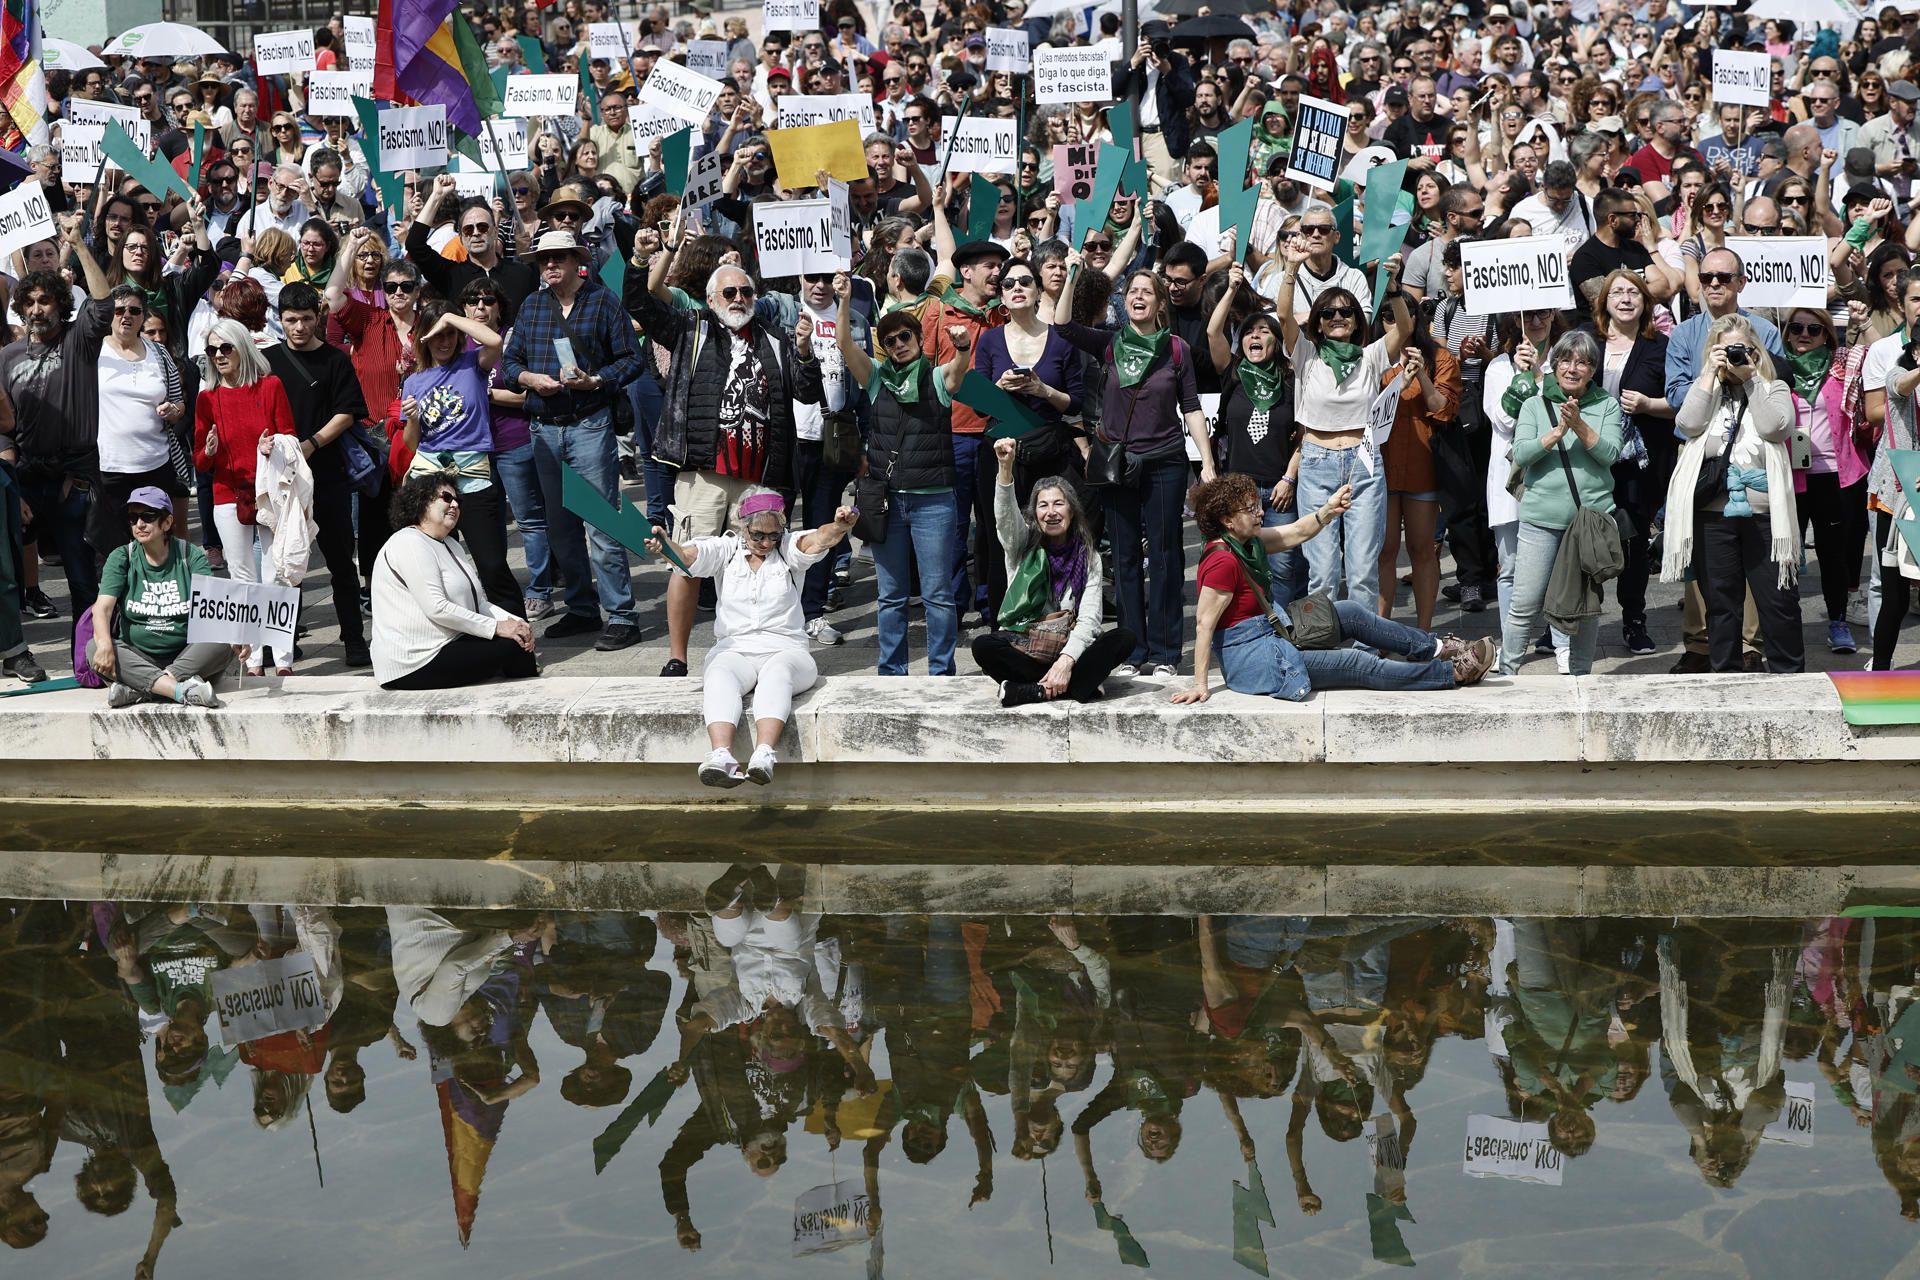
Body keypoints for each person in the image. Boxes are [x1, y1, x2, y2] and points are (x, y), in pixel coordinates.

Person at [627, 256, 823, 678]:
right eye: (730, 292)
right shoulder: (691, 328)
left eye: (746, 292)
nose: (739, 299)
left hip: (758, 480)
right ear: (712, 298)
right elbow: (639, 304)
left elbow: (807, 393)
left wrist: (805, 352)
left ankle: (744, 650)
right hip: (703, 473)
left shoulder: (776, 338)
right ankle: (678, 656)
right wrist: (640, 260)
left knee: (751, 564)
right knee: (686, 562)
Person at [1171, 474, 1495, 704]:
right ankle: (1450, 674)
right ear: (1228, 520)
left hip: (1272, 631)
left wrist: (1328, 509)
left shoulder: (1248, 541)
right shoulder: (1221, 561)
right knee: (1357, 664)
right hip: (1255, 659)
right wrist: (1200, 683)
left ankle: (1440, 648)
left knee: (1351, 612)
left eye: (1257, 505)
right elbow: (1204, 625)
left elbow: (1297, 532)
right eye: (1250, 509)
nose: (1259, 513)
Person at [1051, 259, 1215, 678]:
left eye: (1146, 291)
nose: (1137, 296)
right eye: (1132, 292)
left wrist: (1208, 464)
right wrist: (1071, 276)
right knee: (1123, 558)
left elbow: (1192, 409)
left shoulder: (1176, 349)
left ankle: (1164, 653)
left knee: (1165, 557)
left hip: (1165, 462)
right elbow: (1064, 326)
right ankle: (1131, 650)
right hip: (1118, 466)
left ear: (1160, 303)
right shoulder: (1109, 343)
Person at [644, 489, 857, 788]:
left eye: (773, 534)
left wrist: (839, 526)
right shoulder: (725, 548)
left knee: (776, 672)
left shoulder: (787, 548)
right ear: (743, 526)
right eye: (758, 535)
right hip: (735, 650)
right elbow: (688, 557)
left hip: (788, 651)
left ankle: (764, 754)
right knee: (718, 672)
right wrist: (665, 545)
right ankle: (722, 756)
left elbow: (819, 539)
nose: (766, 543)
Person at [501, 229, 644, 652]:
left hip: (589, 423)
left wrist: (596, 380)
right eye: (543, 260)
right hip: (543, 427)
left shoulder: (601, 300)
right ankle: (582, 609)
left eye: (557, 258)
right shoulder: (531, 306)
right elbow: (511, 363)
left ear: (575, 260)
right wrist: (529, 379)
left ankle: (622, 615)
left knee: (602, 524)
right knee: (561, 528)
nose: (548, 266)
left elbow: (632, 358)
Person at [1271, 236, 1416, 614]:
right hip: (1316, 462)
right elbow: (1284, 317)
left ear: (1357, 321)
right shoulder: (1306, 354)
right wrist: (1291, 268)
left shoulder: (1371, 356)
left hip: (1363, 463)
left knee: (1363, 570)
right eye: (1329, 313)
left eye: (1346, 312)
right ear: (1318, 322)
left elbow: (1403, 328)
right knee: (1322, 571)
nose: (1338, 317)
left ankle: (1365, 652)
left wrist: (1396, 288)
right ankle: (1326, 647)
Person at [832, 276, 967, 677]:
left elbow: (959, 371)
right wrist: (843, 302)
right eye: (889, 341)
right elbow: (844, 345)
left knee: (938, 594)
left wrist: (962, 348)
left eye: (905, 336)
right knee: (890, 595)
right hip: (888, 502)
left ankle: (941, 671)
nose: (898, 345)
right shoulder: (876, 378)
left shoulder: (937, 378)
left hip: (934, 501)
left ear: (919, 337)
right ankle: (891, 672)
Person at [1663, 317, 1803, 673]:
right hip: (1714, 513)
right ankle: (1723, 678)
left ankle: (1791, 679)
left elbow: (1774, 427)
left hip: (1766, 516)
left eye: (1746, 349)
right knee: (1722, 606)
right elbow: (1687, 424)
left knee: (1778, 602)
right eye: (1729, 350)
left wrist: (1751, 378)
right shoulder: (1706, 389)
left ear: (1758, 351)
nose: (1738, 355)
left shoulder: (1774, 387)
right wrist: (1710, 371)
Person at [1499, 330, 1625, 676]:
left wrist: (1580, 426)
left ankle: (1581, 678)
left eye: (1582, 362)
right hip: (1542, 520)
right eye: (1566, 361)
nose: (1573, 368)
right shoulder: (1534, 405)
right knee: (1525, 603)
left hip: (1588, 524)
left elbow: (1611, 454)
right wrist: (1556, 432)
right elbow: (1522, 453)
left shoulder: (1606, 405)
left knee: (1585, 607)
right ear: (1553, 365)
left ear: (1592, 369)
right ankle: (1506, 671)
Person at [977, 438, 1136, 705]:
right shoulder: (1022, 545)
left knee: (1124, 638)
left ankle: (1030, 690)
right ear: (1035, 513)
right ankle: (1074, 687)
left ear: (1072, 512)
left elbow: (1089, 620)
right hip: (1026, 645)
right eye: (1043, 505)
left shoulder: (1089, 557)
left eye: (1058, 504)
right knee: (984, 646)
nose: (1051, 512)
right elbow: (1005, 519)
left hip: (1069, 648)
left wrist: (1065, 661)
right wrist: (1005, 469)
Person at [400, 301, 522, 618]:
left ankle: (518, 642)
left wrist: (450, 317)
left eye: (450, 334)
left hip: (474, 477)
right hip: (431, 482)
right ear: (423, 338)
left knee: (492, 564)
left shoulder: (473, 364)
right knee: (443, 571)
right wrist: (412, 419)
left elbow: (495, 341)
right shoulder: (413, 382)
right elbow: (411, 443)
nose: (444, 341)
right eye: (436, 335)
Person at [369, 471, 538, 690]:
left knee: (518, 635)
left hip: (447, 644)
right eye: (446, 498)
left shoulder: (451, 544)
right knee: (511, 644)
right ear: (421, 502)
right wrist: (497, 627)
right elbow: (437, 608)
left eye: (457, 499)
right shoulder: (408, 542)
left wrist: (516, 622)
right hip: (413, 661)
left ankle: (524, 678)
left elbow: (480, 603)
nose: (455, 504)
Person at [193, 318, 295, 677]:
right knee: (241, 576)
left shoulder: (271, 387)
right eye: (212, 350)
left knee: (275, 572)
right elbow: (200, 462)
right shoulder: (207, 398)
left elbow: (290, 437)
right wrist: (208, 450)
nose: (218, 356)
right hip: (227, 492)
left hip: (269, 490)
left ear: (242, 348)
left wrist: (274, 445)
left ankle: (282, 659)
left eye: (225, 348)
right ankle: (251, 659)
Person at [1587, 270, 1673, 657]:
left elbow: (1683, 403)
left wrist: (1648, 406)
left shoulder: (1661, 347)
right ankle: (1571, 619)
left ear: (1645, 302)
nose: (1625, 298)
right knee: (1582, 539)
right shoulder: (1586, 343)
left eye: (1633, 292)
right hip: (1589, 459)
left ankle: (1633, 620)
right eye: (1617, 292)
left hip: (1638, 466)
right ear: (1604, 301)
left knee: (1633, 544)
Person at [1206, 272, 1305, 605]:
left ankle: (1288, 633)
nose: (1255, 336)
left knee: (1283, 567)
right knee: (1245, 569)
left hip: (1280, 492)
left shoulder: (1292, 380)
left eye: (1264, 331)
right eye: (1248, 332)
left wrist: (1290, 478)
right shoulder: (1233, 372)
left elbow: (1303, 437)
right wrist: (1233, 287)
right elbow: (1211, 331)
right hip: (1239, 491)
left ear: (1276, 340)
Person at [87, 487, 229, 708]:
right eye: (133, 518)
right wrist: (105, 644)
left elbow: (213, 609)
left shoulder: (190, 555)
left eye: (148, 517)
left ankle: (141, 688)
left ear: (167, 522)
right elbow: (102, 609)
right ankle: (179, 689)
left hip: (186, 655)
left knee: (224, 640)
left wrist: (239, 632)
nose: (139, 524)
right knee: (93, 647)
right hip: (137, 655)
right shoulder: (121, 557)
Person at [1781, 306, 1869, 656]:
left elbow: (1878, 355)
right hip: (1790, 474)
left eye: (1814, 329)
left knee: (1833, 555)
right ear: (1787, 332)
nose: (1805, 334)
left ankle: (1838, 622)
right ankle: (1787, 622)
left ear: (1827, 335)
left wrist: (1863, 324)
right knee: (1786, 553)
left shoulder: (1842, 368)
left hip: (1835, 474)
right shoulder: (1775, 369)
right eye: (1797, 328)